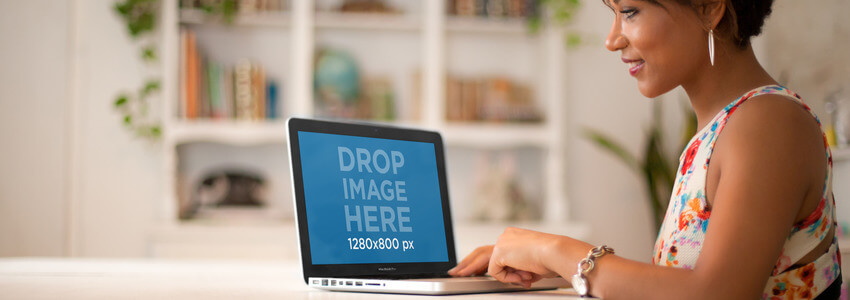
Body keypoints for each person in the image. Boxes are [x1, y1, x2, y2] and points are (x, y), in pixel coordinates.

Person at [448, 0, 842, 299]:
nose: (612, 38)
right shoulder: (725, 128)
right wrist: (543, 262)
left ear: (709, 9)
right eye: (614, 12)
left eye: (631, 12)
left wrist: (553, 249)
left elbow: (717, 293)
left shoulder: (768, 123)